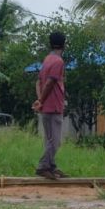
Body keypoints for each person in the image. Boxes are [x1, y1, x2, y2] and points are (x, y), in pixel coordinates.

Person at [33, 31, 67, 180]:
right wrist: (41, 100)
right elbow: (50, 83)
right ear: (64, 45)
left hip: (46, 106)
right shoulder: (58, 62)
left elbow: (38, 82)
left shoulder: (47, 60)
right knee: (55, 141)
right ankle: (43, 167)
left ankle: (51, 166)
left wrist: (39, 99)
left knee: (50, 139)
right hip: (53, 106)